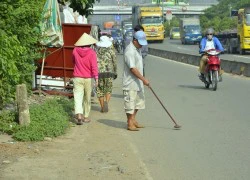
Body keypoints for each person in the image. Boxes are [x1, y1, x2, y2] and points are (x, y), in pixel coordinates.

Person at [123, 31, 150, 131]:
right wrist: (144, 79)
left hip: (138, 82)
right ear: (134, 41)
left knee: (139, 102)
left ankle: (133, 120)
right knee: (130, 103)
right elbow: (132, 68)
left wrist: (143, 79)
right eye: (140, 43)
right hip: (130, 83)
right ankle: (130, 123)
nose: (141, 45)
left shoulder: (137, 49)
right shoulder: (129, 51)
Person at [72, 33, 99, 125]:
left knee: (78, 96)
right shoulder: (92, 53)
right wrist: (96, 78)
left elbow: (73, 61)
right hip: (88, 78)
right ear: (89, 44)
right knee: (87, 98)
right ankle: (86, 116)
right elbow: (94, 67)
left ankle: (79, 114)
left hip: (77, 77)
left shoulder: (75, 51)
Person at [96, 35, 117, 113]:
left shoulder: (97, 51)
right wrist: (115, 72)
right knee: (108, 89)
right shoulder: (111, 51)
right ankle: (106, 103)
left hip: (99, 73)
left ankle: (102, 107)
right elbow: (114, 62)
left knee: (100, 90)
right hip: (109, 72)